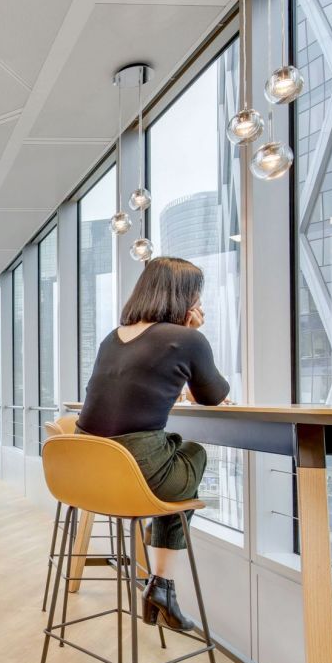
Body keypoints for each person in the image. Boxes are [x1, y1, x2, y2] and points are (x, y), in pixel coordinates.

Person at [77, 257, 230, 631]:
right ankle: (162, 584)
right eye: (196, 294)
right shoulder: (187, 339)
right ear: (183, 297)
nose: (199, 302)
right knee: (192, 455)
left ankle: (162, 586)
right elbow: (214, 396)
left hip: (86, 474)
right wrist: (190, 333)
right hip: (137, 471)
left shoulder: (111, 338)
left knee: (171, 459)